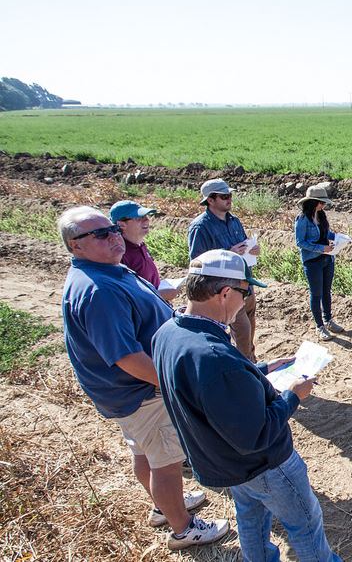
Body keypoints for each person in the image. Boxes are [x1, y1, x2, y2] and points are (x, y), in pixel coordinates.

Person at [58, 206, 228, 551]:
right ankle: (184, 530)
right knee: (166, 461)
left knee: (145, 453)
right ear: (76, 246)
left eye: (112, 229)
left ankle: (163, 507)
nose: (114, 236)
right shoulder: (98, 290)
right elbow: (125, 357)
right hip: (142, 391)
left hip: (128, 394)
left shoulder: (108, 272)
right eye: (101, 234)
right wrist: (170, 380)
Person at [153, 249, 340, 561]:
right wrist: (294, 395)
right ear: (225, 293)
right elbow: (257, 435)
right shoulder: (215, 357)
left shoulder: (169, 333)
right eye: (246, 291)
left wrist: (263, 368)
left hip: (225, 462)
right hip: (265, 466)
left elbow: (211, 388)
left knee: (251, 523)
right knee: (305, 526)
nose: (247, 299)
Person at [187, 178, 260, 361]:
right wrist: (229, 253)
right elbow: (197, 263)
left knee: (249, 330)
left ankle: (252, 362)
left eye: (230, 195)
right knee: (242, 334)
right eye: (224, 196)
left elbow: (243, 244)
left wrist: (252, 249)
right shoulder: (200, 227)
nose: (229, 199)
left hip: (245, 285)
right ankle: (248, 369)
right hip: (227, 292)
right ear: (210, 200)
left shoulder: (234, 221)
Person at [294, 183, 344, 340]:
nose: (324, 205)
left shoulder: (321, 216)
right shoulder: (302, 220)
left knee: (326, 291)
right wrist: (321, 248)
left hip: (327, 259)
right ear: (313, 202)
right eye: (321, 202)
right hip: (312, 261)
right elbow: (300, 242)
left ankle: (328, 320)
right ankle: (319, 326)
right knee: (316, 294)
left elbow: (326, 233)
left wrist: (337, 238)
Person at [110, 200, 179, 303]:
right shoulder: (119, 254)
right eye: (139, 218)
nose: (146, 220)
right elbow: (123, 296)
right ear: (122, 224)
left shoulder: (140, 244)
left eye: (146, 216)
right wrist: (158, 294)